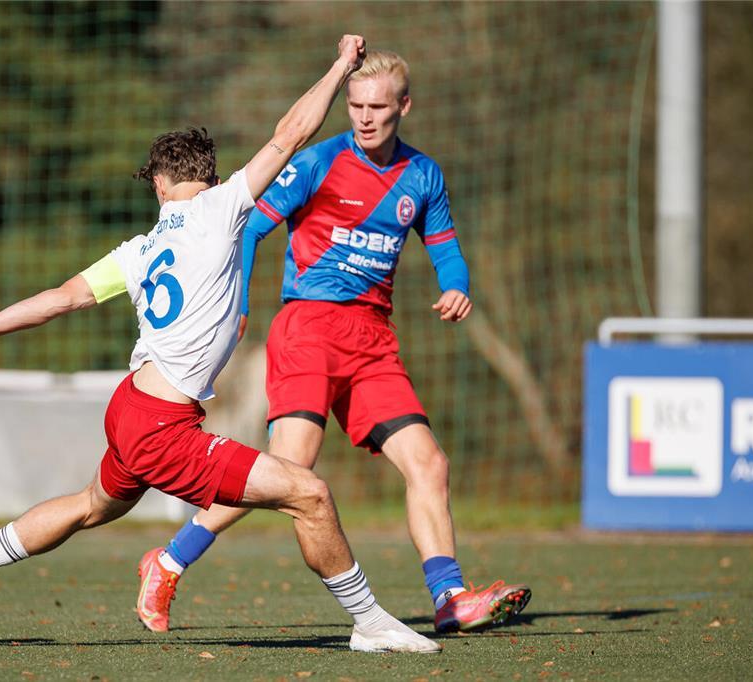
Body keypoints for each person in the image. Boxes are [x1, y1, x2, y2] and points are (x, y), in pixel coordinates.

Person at [0, 35, 441, 654]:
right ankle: (369, 622)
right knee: (310, 494)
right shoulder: (223, 208)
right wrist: (339, 67)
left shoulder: (139, 251)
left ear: (161, 184)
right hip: (164, 428)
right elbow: (291, 133)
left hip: (130, 408)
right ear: (209, 178)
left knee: (92, 505)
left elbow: (61, 298)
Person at [139, 49, 530, 635]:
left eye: (377, 106)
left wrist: (456, 287)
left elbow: (445, 247)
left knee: (430, 463)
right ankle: (168, 562)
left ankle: (449, 598)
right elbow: (249, 232)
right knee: (289, 468)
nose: (365, 117)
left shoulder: (422, 175)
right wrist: (239, 305)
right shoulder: (318, 162)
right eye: (355, 106)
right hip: (309, 330)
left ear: (404, 105)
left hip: (373, 340)